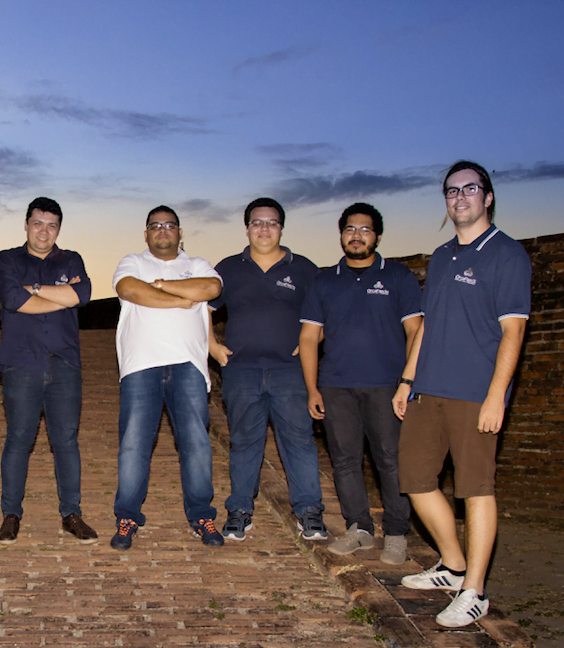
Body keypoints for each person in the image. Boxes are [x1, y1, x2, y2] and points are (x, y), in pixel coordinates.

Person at [393, 161, 530, 628]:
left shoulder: (507, 255)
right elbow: (428, 326)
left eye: (470, 189)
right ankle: (452, 567)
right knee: (414, 478)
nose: (460, 198)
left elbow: (513, 333)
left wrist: (497, 397)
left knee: (475, 488)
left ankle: (475, 590)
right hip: (428, 389)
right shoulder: (441, 255)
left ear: (487, 197)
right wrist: (408, 379)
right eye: (451, 191)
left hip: (475, 391)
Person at [298, 203, 422, 564]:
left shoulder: (398, 276)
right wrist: (312, 388)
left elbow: (416, 330)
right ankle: (360, 528)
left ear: (378, 236)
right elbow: (308, 338)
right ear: (341, 235)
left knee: (390, 459)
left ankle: (397, 533)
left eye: (365, 230)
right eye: (350, 229)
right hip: (336, 386)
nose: (356, 236)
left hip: (387, 385)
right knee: (345, 460)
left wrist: (407, 381)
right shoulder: (324, 281)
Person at [209, 198, 325, 542]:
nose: (264, 229)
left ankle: (309, 512)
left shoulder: (303, 269)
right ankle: (240, 510)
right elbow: (202, 308)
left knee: (299, 441)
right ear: (246, 228)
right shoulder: (228, 268)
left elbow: (328, 313)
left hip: (290, 371)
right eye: (257, 223)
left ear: (281, 228)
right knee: (245, 442)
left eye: (271, 223)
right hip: (241, 371)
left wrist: (311, 341)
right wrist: (212, 346)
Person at [110, 205, 224, 551]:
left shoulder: (198, 264)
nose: (162, 230)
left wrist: (162, 285)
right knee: (133, 445)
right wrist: (179, 300)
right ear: (145, 234)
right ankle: (127, 517)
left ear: (180, 232)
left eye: (169, 225)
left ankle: (201, 516)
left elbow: (211, 288)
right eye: (155, 226)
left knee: (196, 445)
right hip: (140, 365)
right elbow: (131, 290)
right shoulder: (132, 261)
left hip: (188, 364)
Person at [0, 197, 98, 545]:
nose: (44, 231)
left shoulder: (72, 259)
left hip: (64, 362)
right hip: (21, 362)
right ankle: (11, 515)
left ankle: (71, 513)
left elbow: (82, 294)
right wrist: (59, 295)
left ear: (59, 229)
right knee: (19, 439)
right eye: (38, 223)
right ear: (26, 224)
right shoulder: (7, 259)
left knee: (65, 441)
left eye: (52, 225)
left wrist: (34, 290)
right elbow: (11, 299)